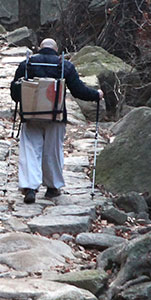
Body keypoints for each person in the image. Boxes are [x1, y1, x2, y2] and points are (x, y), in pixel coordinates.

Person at [10, 38, 101, 203]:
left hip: (31, 115)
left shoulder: (27, 64)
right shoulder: (64, 66)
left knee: (30, 149)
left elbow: (14, 94)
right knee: (53, 151)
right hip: (56, 115)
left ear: (39, 48)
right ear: (56, 49)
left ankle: (30, 187)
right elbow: (79, 91)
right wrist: (97, 95)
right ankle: (52, 187)